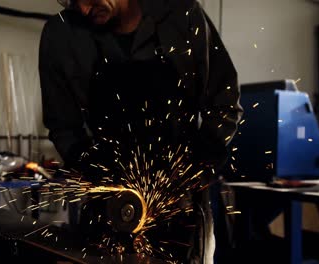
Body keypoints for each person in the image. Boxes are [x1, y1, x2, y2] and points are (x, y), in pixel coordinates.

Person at [39, 0, 243, 263]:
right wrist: (92, 166)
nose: (84, 10)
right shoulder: (62, 33)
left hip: (181, 206)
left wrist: (194, 168)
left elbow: (224, 103)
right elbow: (63, 125)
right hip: (109, 205)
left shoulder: (182, 15)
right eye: (73, 1)